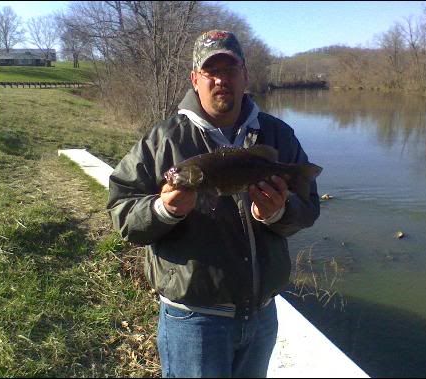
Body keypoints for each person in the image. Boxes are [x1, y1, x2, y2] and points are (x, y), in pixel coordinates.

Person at [107, 30, 320, 378]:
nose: (222, 79)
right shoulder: (163, 140)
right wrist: (165, 210)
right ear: (195, 78)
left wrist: (279, 212)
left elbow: (308, 209)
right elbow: (121, 211)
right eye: (211, 71)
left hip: (262, 315)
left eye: (230, 69)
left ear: (245, 75)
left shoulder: (278, 136)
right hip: (193, 322)